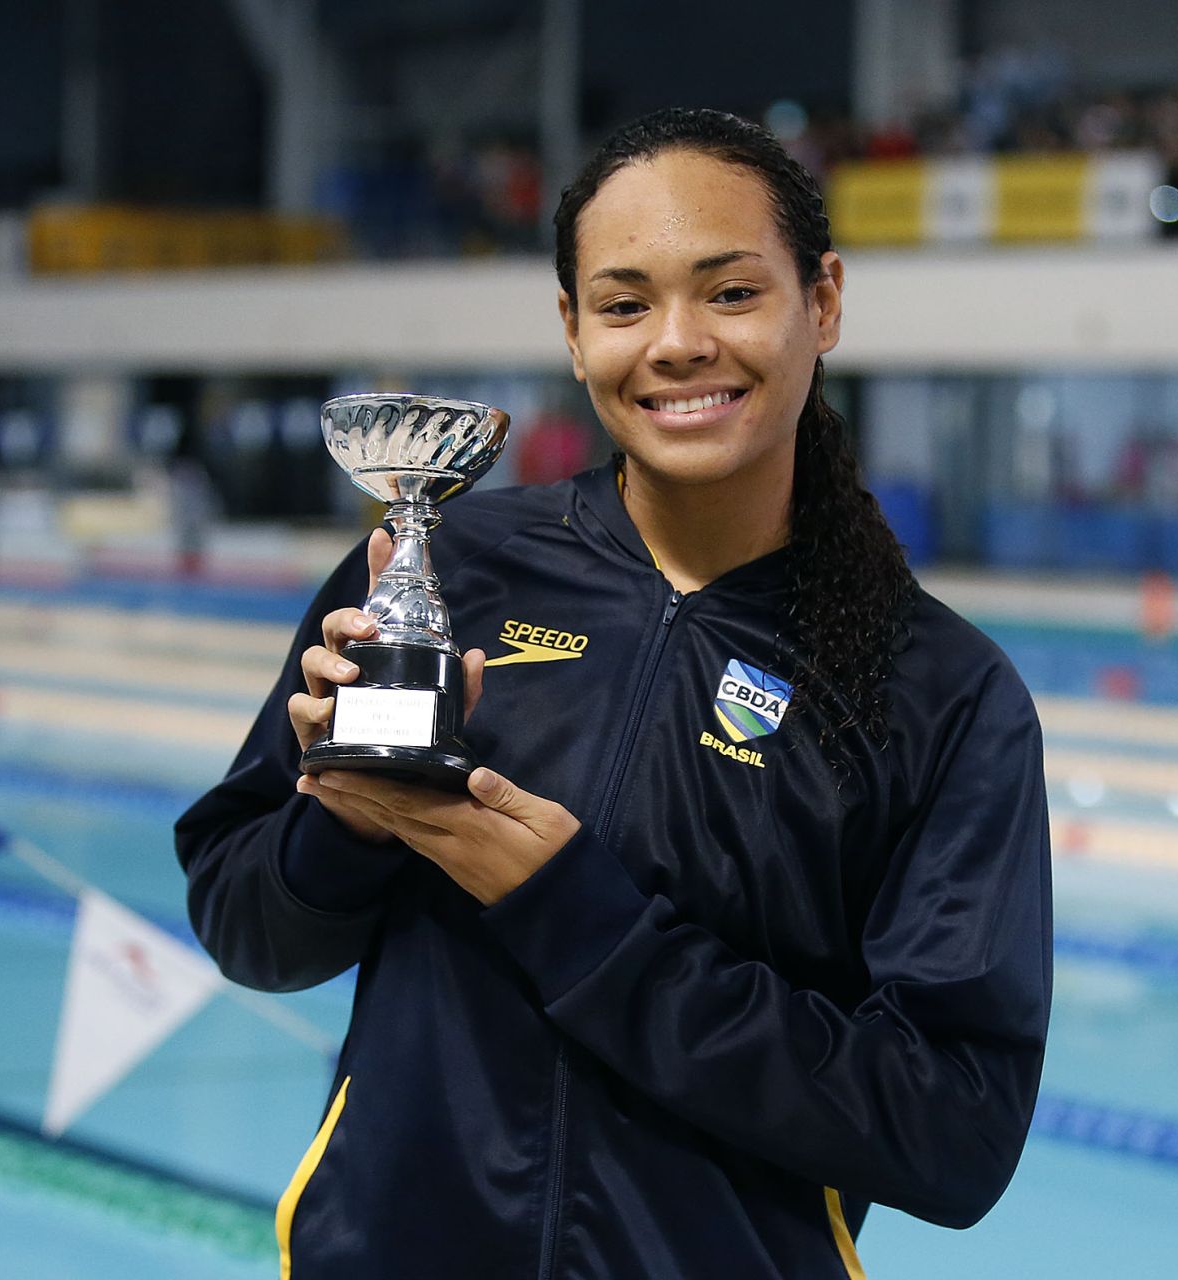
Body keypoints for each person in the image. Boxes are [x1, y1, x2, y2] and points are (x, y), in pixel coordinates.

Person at [176, 107, 1052, 1280]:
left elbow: (953, 1132)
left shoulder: (938, 691)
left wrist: (576, 915)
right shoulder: (447, 569)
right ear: (574, 331)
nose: (679, 343)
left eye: (732, 293)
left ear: (824, 301)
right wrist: (338, 821)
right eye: (626, 303)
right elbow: (247, 928)